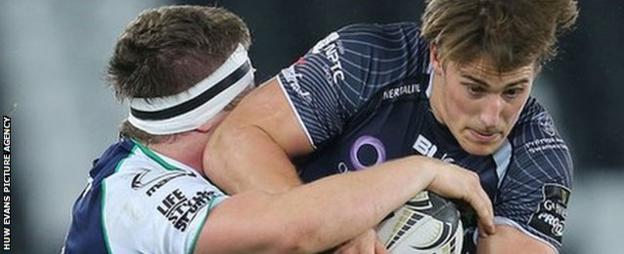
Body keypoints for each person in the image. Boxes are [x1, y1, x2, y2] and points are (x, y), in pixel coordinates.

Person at [62, 5, 494, 254]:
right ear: (220, 110)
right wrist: (419, 170)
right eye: (255, 91)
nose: (271, 103)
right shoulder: (136, 197)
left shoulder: (193, 178)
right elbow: (292, 229)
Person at [204, 0, 578, 253]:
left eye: (513, 90)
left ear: (537, 70)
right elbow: (232, 144)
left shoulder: (538, 157)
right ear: (438, 55)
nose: (492, 117)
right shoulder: (367, 61)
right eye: (474, 88)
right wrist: (332, 225)